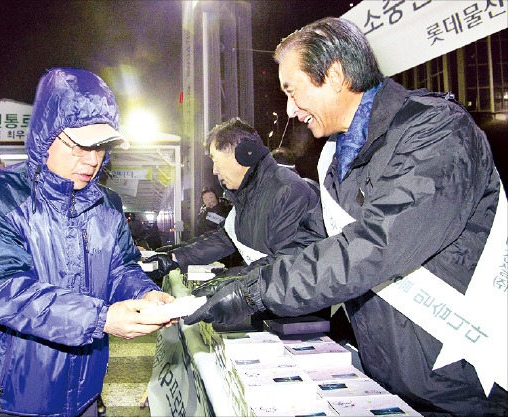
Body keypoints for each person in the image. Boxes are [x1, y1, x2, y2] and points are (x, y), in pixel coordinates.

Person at [185, 17, 508, 417]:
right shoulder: (338, 159)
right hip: (394, 379)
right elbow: (312, 243)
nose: (288, 109)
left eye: (292, 90)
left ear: (335, 75)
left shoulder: (437, 131)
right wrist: (240, 280)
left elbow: (375, 245)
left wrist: (257, 292)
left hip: (466, 385)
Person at [0, 67, 176, 417]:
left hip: (85, 393)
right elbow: (6, 289)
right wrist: (100, 318)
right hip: (13, 398)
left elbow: (120, 267)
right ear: (45, 135)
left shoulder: (107, 203)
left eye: (101, 147)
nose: (92, 160)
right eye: (78, 145)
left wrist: (143, 293)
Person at [148, 117, 319, 280]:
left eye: (215, 160)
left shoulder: (288, 192)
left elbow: (287, 269)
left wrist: (227, 283)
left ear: (243, 155)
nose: (214, 171)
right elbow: (224, 239)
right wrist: (174, 258)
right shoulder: (248, 196)